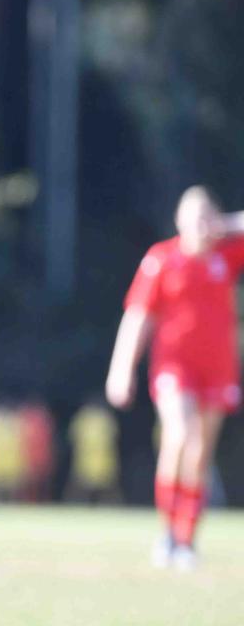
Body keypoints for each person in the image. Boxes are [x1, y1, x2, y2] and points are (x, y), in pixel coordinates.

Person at [106, 185, 244, 570]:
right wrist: (121, 368)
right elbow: (138, 317)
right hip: (173, 368)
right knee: (180, 437)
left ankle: (186, 539)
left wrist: (226, 224)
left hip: (218, 369)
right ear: (178, 220)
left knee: (200, 455)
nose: (200, 224)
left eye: (206, 216)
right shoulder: (161, 259)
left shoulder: (226, 255)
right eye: (193, 216)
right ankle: (167, 532)